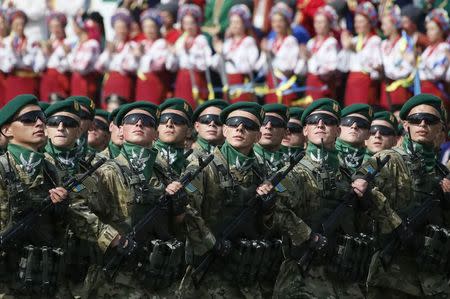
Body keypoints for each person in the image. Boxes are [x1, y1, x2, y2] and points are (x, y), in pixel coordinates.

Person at [170, 102, 312, 298]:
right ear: (225, 130)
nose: (240, 128)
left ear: (258, 136)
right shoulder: (204, 167)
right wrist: (212, 243)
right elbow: (187, 209)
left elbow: (277, 221)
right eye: (234, 123)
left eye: (248, 125)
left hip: (249, 279)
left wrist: (269, 210)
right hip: (208, 276)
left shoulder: (263, 173)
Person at [273, 98, 401, 299]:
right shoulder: (292, 173)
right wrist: (308, 236)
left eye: (328, 121)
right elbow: (274, 211)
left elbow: (383, 221)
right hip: (305, 278)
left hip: (345, 279)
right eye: (315, 121)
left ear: (338, 130)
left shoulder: (351, 177)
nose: (321, 125)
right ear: (305, 130)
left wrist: (367, 197)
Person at [0, 94, 120, 298]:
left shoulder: (50, 171)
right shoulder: (3, 168)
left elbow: (78, 217)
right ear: (7, 130)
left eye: (40, 118)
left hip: (43, 277)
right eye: (29, 119)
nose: (39, 123)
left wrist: (61, 211)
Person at [353, 93, 450, 298]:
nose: (422, 123)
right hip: (393, 278)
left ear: (440, 129)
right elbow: (360, 190)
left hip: (434, 281)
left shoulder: (442, 173)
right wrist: (396, 224)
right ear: (406, 125)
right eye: (416, 120)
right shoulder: (387, 159)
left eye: (430, 120)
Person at [91, 101, 184, 298]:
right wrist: (113, 239)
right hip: (118, 279)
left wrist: (179, 208)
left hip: (158, 274)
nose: (139, 124)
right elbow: (81, 213)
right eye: (132, 120)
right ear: (121, 132)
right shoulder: (107, 171)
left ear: (156, 134)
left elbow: (181, 226)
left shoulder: (165, 173)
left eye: (148, 122)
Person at [166, 4, 212, 108]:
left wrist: (191, 55)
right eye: (186, 23)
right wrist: (172, 54)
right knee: (181, 108)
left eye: (192, 23)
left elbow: (206, 64)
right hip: (182, 79)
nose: (189, 27)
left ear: (197, 24)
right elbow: (171, 67)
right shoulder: (180, 41)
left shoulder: (201, 40)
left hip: (196, 78)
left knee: (194, 107)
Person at [211, 4, 259, 102]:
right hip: (228, 81)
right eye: (232, 22)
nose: (234, 25)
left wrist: (224, 55)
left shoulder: (248, 41)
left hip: (242, 83)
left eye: (237, 22)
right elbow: (215, 66)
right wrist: (219, 53)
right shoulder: (228, 43)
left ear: (244, 23)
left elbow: (249, 66)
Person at [339, 2, 381, 106]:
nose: (357, 25)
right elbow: (342, 67)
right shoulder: (354, 40)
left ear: (369, 23)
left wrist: (356, 51)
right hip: (351, 82)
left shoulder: (374, 40)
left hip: (365, 82)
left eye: (361, 21)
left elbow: (375, 65)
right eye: (356, 21)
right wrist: (346, 48)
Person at [258, 2, 299, 105]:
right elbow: (261, 68)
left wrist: (271, 54)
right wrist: (264, 52)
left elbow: (290, 66)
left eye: (280, 21)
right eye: (274, 21)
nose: (277, 24)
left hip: (284, 84)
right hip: (271, 83)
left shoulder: (290, 41)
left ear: (286, 22)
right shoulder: (271, 42)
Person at [96, 8, 138, 105]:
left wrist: (118, 60)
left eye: (123, 27)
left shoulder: (132, 45)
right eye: (118, 28)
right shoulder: (112, 45)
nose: (121, 31)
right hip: (110, 83)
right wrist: (109, 53)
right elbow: (99, 66)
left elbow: (131, 67)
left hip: (124, 84)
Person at [296, 5, 338, 100]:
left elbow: (331, 67)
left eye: (322, 22)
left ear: (328, 24)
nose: (318, 25)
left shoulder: (331, 42)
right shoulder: (311, 42)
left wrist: (312, 57)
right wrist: (303, 56)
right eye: (316, 22)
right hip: (310, 83)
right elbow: (303, 70)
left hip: (323, 85)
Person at [3, 9, 45, 101]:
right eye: (17, 24)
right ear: (11, 25)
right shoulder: (5, 42)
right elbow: (6, 66)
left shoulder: (32, 41)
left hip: (29, 81)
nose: (20, 27)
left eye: (22, 24)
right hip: (14, 81)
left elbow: (38, 63)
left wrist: (26, 56)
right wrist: (12, 51)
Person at [380, 6, 414, 111]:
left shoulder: (404, 43)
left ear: (394, 25)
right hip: (385, 87)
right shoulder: (384, 43)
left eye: (385, 24)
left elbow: (407, 68)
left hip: (399, 89)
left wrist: (386, 70)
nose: (382, 27)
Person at [153, 98, 193, 182]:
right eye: (163, 119)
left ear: (189, 131)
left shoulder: (194, 167)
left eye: (177, 120)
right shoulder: (146, 161)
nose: (169, 124)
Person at [135, 9, 170, 103]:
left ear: (157, 28)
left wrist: (144, 55)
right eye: (146, 27)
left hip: (154, 83)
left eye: (152, 27)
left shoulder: (161, 44)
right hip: (141, 84)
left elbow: (158, 66)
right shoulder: (142, 43)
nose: (149, 30)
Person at [68, 15, 101, 102]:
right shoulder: (79, 44)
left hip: (86, 82)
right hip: (77, 81)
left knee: (83, 107)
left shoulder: (92, 44)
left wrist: (69, 56)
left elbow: (82, 67)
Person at [39, 12, 71, 102]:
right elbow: (39, 66)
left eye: (57, 26)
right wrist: (45, 52)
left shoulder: (69, 42)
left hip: (61, 80)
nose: (55, 30)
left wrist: (66, 53)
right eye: (52, 27)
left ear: (63, 27)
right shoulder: (48, 43)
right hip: (47, 80)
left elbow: (68, 66)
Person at [419, 9, 450, 101]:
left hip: (436, 91)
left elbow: (438, 73)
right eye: (428, 29)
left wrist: (422, 64)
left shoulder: (444, 48)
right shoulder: (429, 49)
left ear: (441, 30)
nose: (428, 32)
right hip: (425, 89)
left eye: (432, 29)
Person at [336, 103, 373, 174]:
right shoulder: (327, 157)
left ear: (368, 134)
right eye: (348, 121)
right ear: (338, 129)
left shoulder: (372, 164)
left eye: (361, 124)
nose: (354, 126)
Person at [254, 103, 289, 174]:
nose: (268, 126)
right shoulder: (246, 160)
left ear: (285, 132)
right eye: (264, 122)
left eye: (275, 122)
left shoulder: (290, 163)